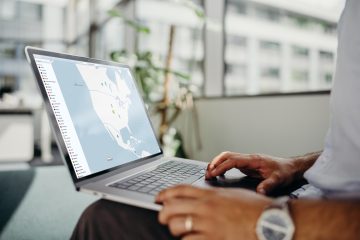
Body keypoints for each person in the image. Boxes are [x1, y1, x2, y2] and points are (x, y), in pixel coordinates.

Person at [71, 0, 360, 239]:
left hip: (317, 222)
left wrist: (265, 220)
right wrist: (295, 167)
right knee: (217, 182)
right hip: (310, 195)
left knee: (107, 220)